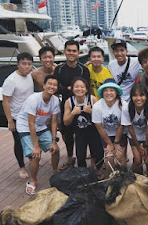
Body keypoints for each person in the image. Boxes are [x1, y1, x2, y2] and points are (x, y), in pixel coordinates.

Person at [16, 75, 60, 195]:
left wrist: (53, 141)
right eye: (49, 84)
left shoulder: (55, 100)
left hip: (40, 126)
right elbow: (30, 123)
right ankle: (33, 181)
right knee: (35, 155)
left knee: (55, 150)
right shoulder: (34, 99)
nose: (52, 86)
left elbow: (54, 121)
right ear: (44, 85)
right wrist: (36, 146)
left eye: (55, 85)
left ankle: (56, 174)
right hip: (25, 126)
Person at [54, 40, 90, 170]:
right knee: (67, 133)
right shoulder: (59, 69)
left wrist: (70, 89)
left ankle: (85, 156)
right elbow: (55, 88)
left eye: (74, 51)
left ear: (78, 53)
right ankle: (69, 157)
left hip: (82, 103)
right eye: (69, 50)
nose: (71, 53)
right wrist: (68, 90)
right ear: (65, 52)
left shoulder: (83, 69)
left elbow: (86, 88)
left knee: (84, 130)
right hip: (66, 103)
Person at [2, 52, 34, 179]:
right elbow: (5, 101)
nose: (27, 67)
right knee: (19, 142)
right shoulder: (11, 80)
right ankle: (21, 167)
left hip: (30, 116)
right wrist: (10, 120)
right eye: (24, 64)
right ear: (18, 64)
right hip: (17, 117)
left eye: (29, 64)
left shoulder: (30, 76)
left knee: (31, 139)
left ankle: (32, 158)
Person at [63, 77, 104, 178]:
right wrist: (73, 113)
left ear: (86, 89)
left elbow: (102, 118)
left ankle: (98, 170)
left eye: (82, 87)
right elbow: (66, 122)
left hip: (94, 131)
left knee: (98, 153)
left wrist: (91, 111)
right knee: (80, 156)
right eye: (76, 87)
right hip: (79, 133)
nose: (79, 89)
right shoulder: (69, 102)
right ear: (72, 89)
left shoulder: (92, 99)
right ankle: (84, 173)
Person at [121, 84, 148, 174]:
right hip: (134, 136)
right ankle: (137, 173)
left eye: (141, 95)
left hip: (147, 136)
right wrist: (138, 146)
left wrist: (146, 145)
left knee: (147, 160)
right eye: (135, 95)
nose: (138, 98)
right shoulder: (126, 108)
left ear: (146, 96)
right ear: (131, 97)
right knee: (138, 160)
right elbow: (130, 128)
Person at [92, 82, 128, 174]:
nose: (109, 93)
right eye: (106, 91)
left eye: (112, 90)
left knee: (120, 156)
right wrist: (109, 143)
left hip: (120, 133)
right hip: (106, 134)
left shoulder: (124, 105)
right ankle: (111, 177)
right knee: (109, 157)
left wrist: (116, 142)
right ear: (102, 93)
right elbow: (99, 127)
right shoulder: (97, 106)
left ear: (116, 92)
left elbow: (122, 125)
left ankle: (123, 175)